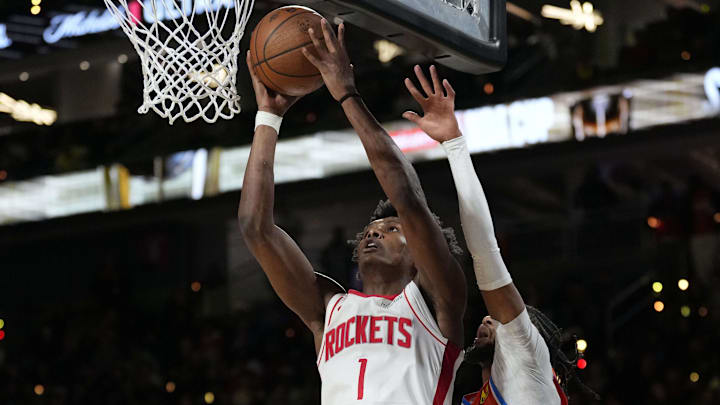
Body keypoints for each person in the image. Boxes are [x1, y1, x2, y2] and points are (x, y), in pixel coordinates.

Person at [238, 19, 467, 404]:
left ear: (422, 253)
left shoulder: (437, 300)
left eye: (392, 229)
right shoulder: (328, 308)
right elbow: (255, 228)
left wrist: (346, 94)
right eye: (370, 230)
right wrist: (268, 118)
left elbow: (406, 196)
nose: (374, 233)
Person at [401, 65, 582, 404]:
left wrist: (455, 145)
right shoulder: (481, 394)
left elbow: (485, 252)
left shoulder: (524, 351)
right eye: (496, 319)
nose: (488, 316)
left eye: (497, 319)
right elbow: (485, 250)